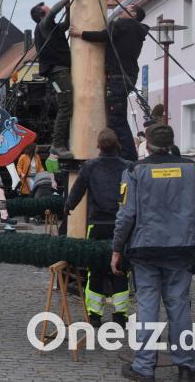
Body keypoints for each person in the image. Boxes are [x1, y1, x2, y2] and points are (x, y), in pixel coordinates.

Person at [112, 123, 195, 382]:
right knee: (179, 306)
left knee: (147, 305)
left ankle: (144, 368)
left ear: (146, 145)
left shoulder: (134, 171)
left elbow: (126, 215)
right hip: (182, 247)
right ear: (171, 144)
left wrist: (117, 249)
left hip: (145, 248)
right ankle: (186, 367)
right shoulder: (192, 169)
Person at [65, 129, 131, 327]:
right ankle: (120, 315)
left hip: (97, 224)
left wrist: (68, 206)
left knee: (95, 269)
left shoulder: (90, 166)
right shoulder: (128, 167)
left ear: (98, 146)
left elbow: (78, 189)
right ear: (117, 145)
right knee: (121, 269)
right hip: (122, 225)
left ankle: (94, 315)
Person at [70, 5, 149, 161]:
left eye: (126, 9)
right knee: (118, 117)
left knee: (117, 120)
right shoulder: (138, 31)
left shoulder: (123, 24)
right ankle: (123, 155)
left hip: (117, 76)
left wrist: (79, 33)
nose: (121, 10)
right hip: (128, 75)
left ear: (133, 14)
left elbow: (103, 35)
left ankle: (127, 158)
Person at [31, 0, 77, 158]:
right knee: (66, 106)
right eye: (47, 8)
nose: (50, 8)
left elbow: (66, 24)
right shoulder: (43, 25)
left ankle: (60, 143)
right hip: (59, 72)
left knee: (65, 105)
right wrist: (67, 0)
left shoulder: (51, 28)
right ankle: (58, 144)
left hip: (55, 75)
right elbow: (52, 14)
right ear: (42, 14)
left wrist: (68, 8)